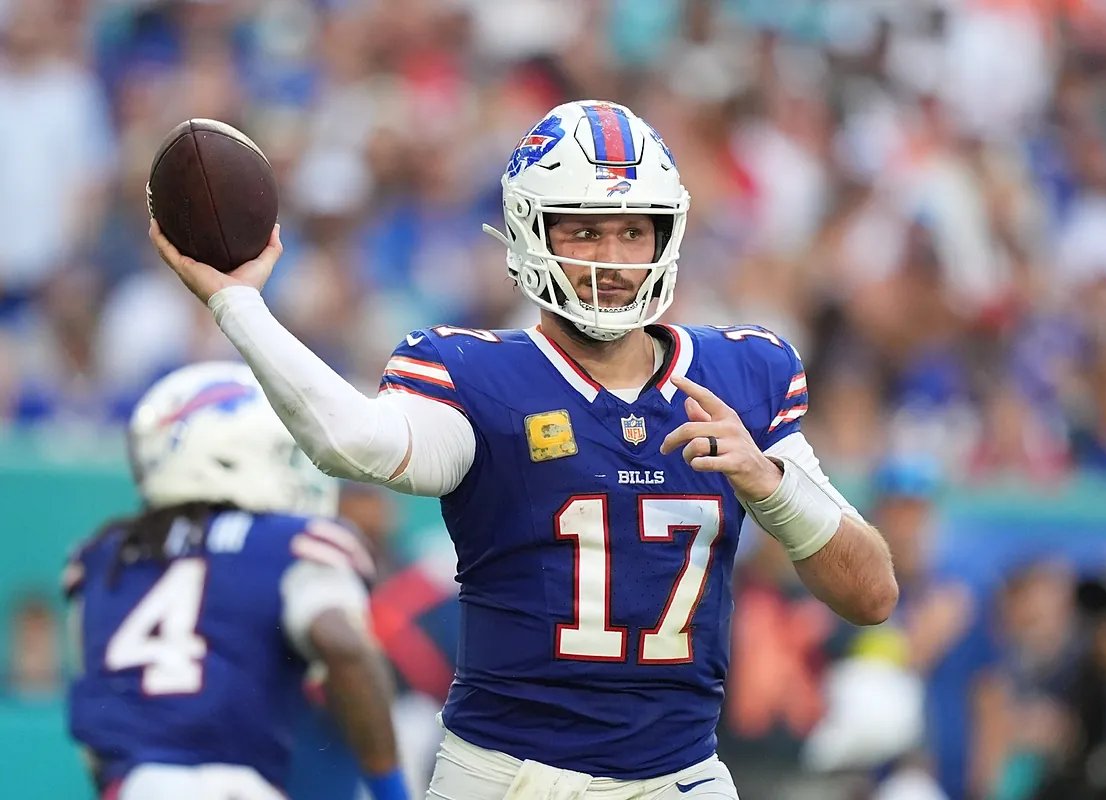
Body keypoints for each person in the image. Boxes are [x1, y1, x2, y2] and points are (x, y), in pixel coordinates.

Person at [150, 99, 898, 799]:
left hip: (680, 776)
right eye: (584, 229)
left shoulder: (742, 373)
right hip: (509, 777)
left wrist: (770, 484)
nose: (613, 257)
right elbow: (355, 443)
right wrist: (238, 304)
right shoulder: (478, 375)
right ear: (530, 233)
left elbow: (871, 595)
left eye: (634, 230)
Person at [65, 361, 408, 800]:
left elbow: (92, 716)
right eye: (280, 456)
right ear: (227, 454)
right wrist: (391, 791)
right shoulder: (291, 544)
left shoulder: (100, 558)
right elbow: (344, 647)